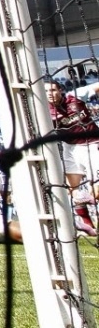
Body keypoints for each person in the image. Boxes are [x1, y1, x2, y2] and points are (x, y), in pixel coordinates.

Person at [45, 79, 99, 236]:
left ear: (60, 90)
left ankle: (87, 204)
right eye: (47, 91)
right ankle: (88, 226)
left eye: (53, 90)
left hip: (93, 144)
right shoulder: (43, 111)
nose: (50, 94)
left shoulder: (76, 96)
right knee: (73, 189)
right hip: (70, 148)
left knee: (95, 191)